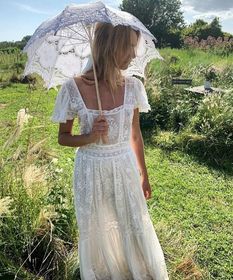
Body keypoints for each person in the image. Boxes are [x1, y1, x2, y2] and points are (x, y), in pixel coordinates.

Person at [51, 22, 169, 280]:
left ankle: (138, 271)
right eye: (128, 46)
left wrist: (144, 175)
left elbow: (135, 135)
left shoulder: (133, 87)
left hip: (124, 165)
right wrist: (90, 136)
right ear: (110, 46)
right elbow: (62, 138)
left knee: (132, 221)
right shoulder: (72, 89)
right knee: (98, 226)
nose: (134, 54)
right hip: (90, 168)